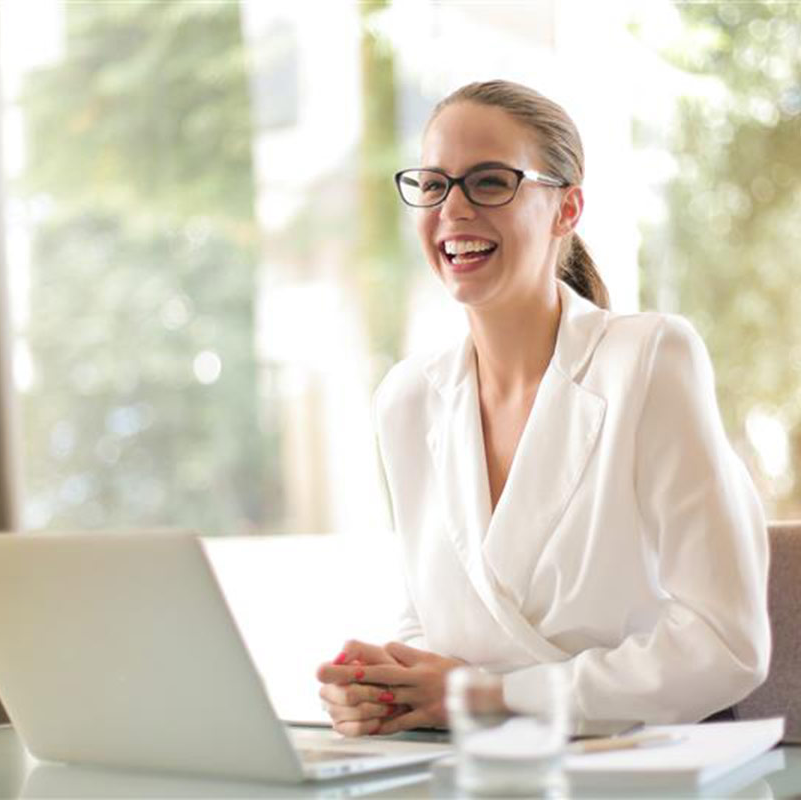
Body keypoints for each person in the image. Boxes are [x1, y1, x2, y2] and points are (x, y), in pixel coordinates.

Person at [316, 79, 771, 737]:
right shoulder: (407, 400)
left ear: (567, 209)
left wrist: (491, 695)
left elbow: (727, 644)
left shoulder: (648, 360)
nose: (453, 209)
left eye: (491, 182)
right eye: (434, 184)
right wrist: (386, 687)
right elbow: (432, 618)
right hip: (484, 770)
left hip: (639, 766)